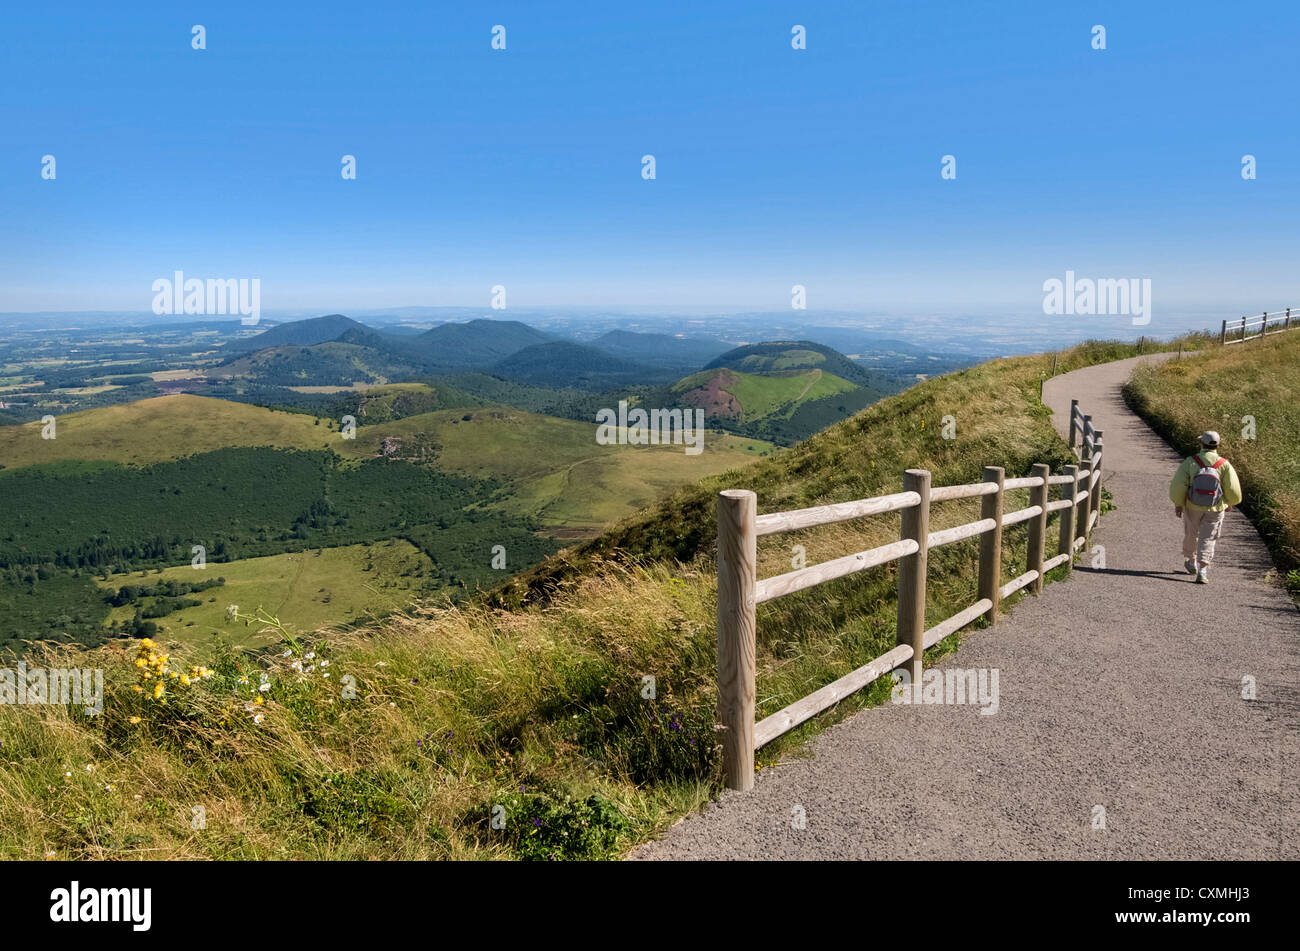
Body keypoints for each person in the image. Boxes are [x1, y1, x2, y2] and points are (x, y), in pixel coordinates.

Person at [1169, 431, 1243, 584]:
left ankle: (1191, 561)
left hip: (1192, 505)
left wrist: (1179, 504)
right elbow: (1234, 490)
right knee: (1208, 538)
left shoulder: (1191, 461)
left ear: (1201, 443)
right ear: (1217, 444)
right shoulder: (1224, 464)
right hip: (1215, 507)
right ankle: (1203, 570)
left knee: (1191, 532)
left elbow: (1178, 485)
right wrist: (1229, 502)